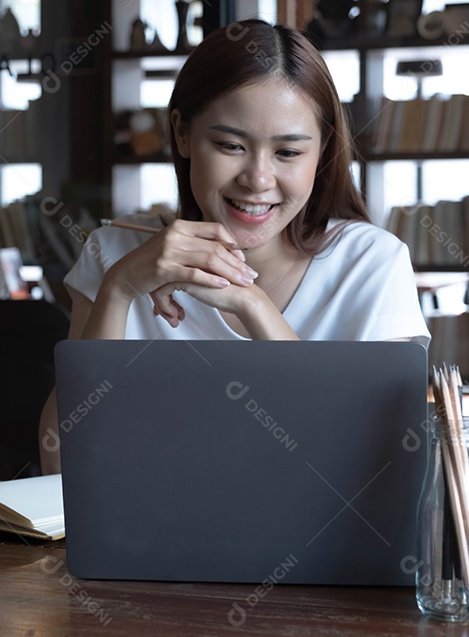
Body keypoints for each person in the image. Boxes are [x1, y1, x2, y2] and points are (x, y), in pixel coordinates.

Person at [38, 19, 429, 473]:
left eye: (288, 153)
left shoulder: (372, 264)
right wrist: (119, 287)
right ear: (182, 133)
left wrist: (251, 302)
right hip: (153, 540)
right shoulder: (117, 252)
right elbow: (62, 467)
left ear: (322, 151)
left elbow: (369, 472)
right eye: (230, 145)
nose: (258, 179)